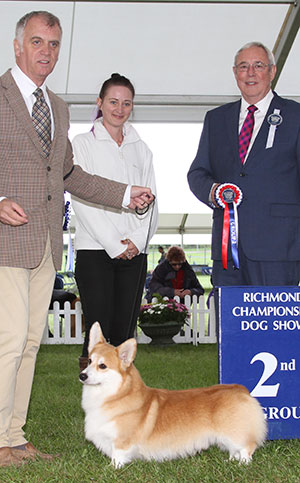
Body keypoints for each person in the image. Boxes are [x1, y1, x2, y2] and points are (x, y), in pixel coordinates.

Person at [0, 11, 154, 467]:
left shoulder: (59, 106)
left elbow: (69, 174)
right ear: (17, 46)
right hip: (7, 241)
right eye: (37, 42)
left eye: (54, 44)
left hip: (45, 243)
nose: (46, 51)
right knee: (8, 343)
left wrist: (126, 193)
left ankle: (14, 436)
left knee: (30, 344)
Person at [188, 41, 300, 288]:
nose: (250, 73)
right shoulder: (216, 119)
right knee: (229, 325)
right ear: (234, 73)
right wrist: (215, 192)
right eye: (243, 66)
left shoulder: (295, 116)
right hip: (226, 253)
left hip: (279, 250)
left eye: (258, 65)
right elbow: (198, 172)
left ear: (272, 71)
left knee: (274, 325)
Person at [71, 73, 158, 370]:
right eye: (113, 102)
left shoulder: (141, 148)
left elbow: (151, 198)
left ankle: (123, 402)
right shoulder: (81, 144)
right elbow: (81, 198)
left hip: (135, 253)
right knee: (97, 332)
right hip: (94, 250)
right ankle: (91, 398)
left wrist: (136, 240)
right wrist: (112, 243)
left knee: (124, 335)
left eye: (126, 103)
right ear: (99, 103)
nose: (119, 109)